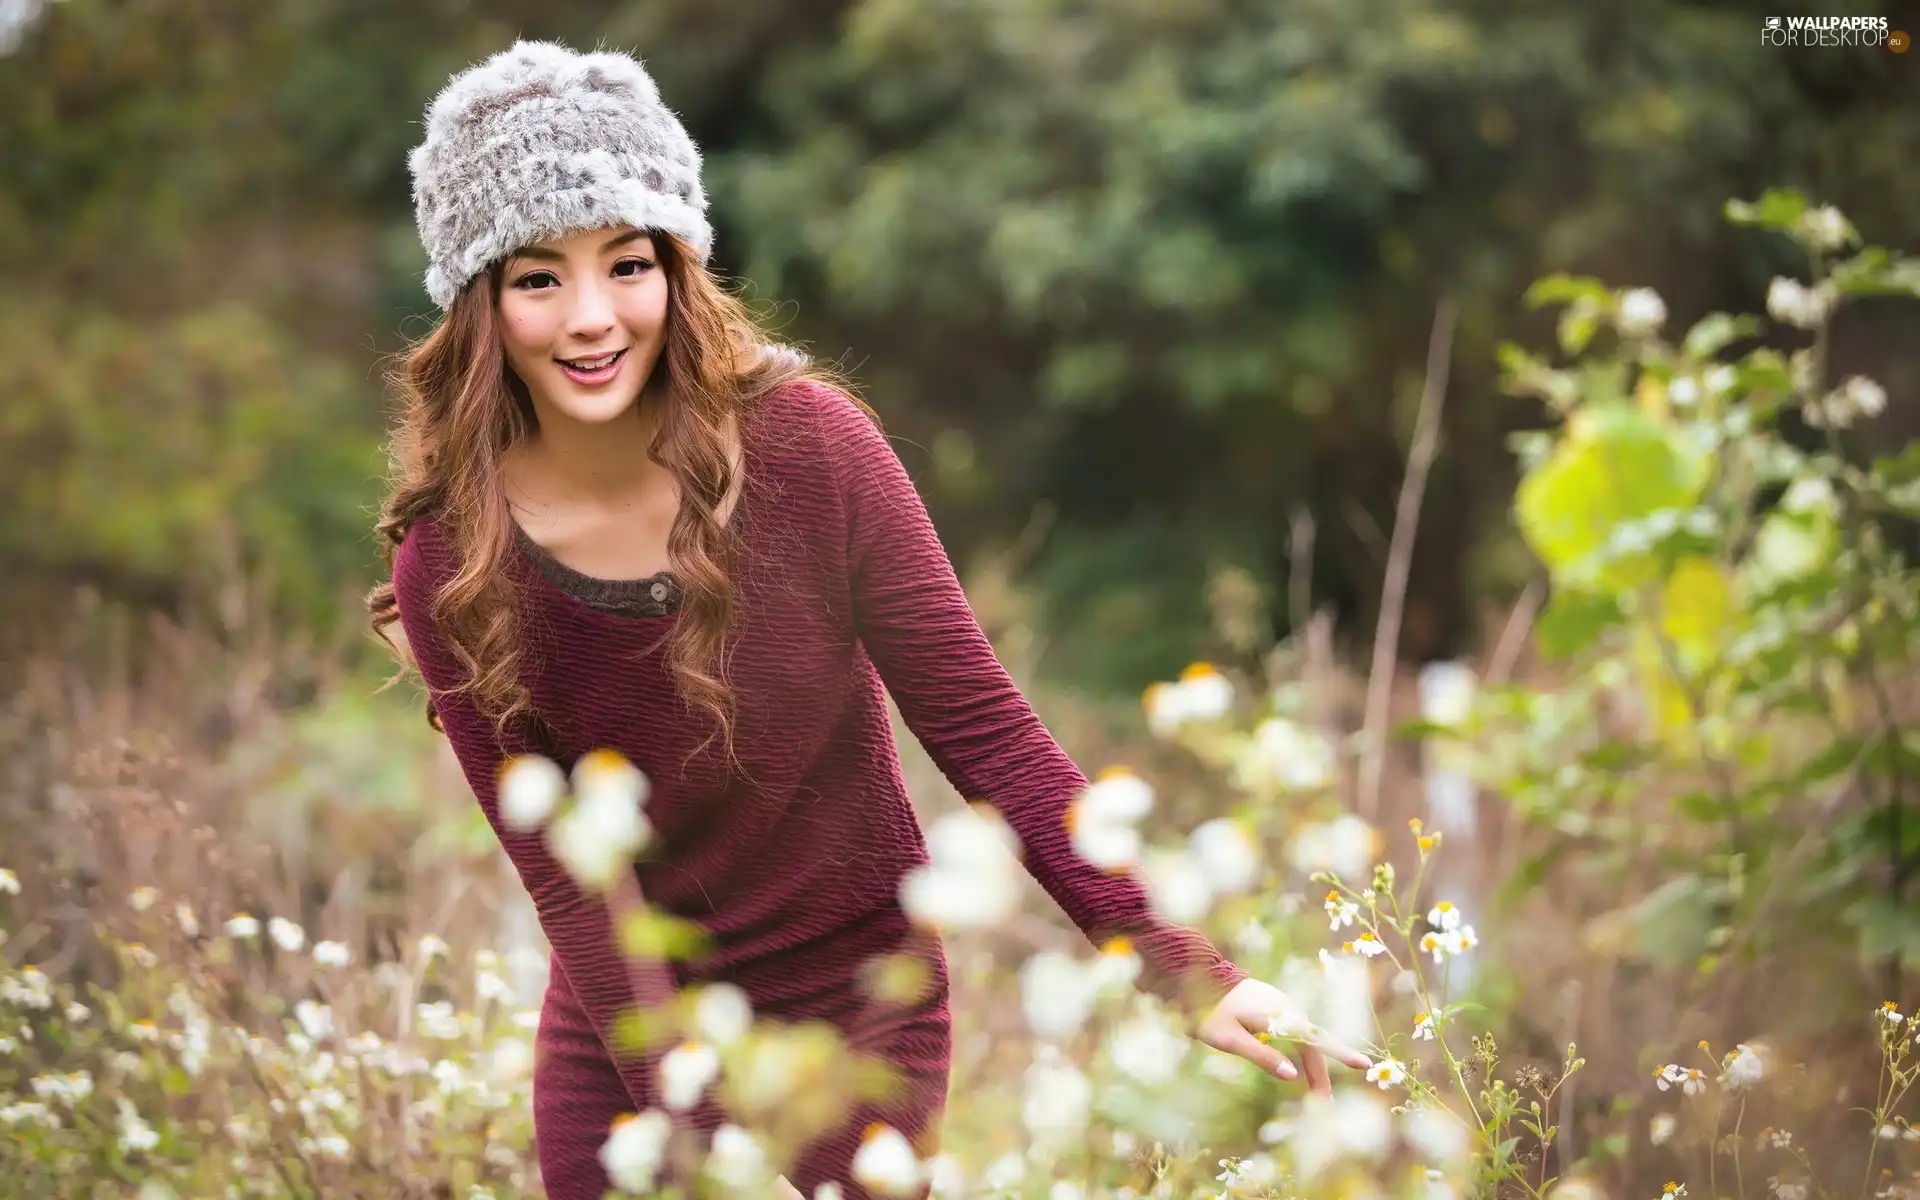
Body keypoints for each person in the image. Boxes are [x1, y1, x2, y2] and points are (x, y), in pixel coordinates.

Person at [369, 38, 1369, 1200]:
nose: (591, 318)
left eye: (627, 264)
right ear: (478, 306)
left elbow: (985, 728)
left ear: (678, 266)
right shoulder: (453, 558)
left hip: (856, 1005)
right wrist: (696, 1124)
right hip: (630, 1034)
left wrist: (1184, 966)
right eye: (537, 279)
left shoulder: (811, 450)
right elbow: (569, 886)